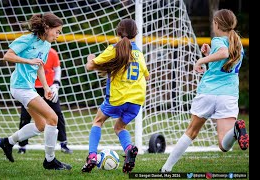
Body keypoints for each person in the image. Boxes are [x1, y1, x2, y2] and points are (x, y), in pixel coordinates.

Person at [159, 9, 249, 172]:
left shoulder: (218, 40)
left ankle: (166, 169)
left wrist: (201, 59)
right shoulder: (238, 44)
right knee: (224, 145)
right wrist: (209, 54)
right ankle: (236, 131)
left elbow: (223, 52)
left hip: (208, 92)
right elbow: (221, 63)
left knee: (191, 132)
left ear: (216, 24)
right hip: (227, 95)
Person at [0, 12, 72, 170]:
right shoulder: (27, 39)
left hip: (28, 88)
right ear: (46, 28)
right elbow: (7, 56)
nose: (58, 35)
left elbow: (39, 66)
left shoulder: (46, 45)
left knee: (41, 125)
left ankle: (7, 142)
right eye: (57, 31)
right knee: (53, 118)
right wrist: (27, 60)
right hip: (19, 87)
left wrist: (46, 87)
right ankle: (50, 160)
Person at [81, 19, 150, 173]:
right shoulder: (139, 53)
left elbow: (90, 66)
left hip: (117, 98)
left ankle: (92, 156)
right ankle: (129, 149)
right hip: (137, 100)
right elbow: (147, 76)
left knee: (98, 121)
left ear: (118, 32)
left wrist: (90, 59)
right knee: (119, 127)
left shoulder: (113, 49)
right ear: (136, 34)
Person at [18, 47, 73, 155]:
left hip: (48, 88)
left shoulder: (52, 53)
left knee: (57, 114)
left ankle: (63, 143)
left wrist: (56, 84)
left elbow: (57, 69)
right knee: (25, 115)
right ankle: (22, 146)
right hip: (31, 88)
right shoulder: (28, 53)